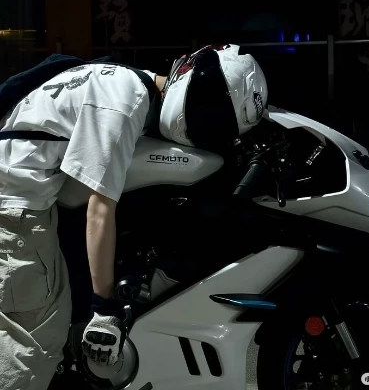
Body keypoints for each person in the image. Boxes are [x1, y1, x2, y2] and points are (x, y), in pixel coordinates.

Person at [0, 43, 267, 390]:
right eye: (210, 114)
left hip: (23, 199)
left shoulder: (125, 79)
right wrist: (103, 308)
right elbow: (99, 210)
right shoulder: (125, 104)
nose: (207, 126)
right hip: (16, 210)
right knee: (33, 348)